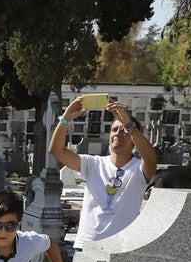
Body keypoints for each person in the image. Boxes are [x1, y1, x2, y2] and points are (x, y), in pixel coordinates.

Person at [50, 97, 157, 245]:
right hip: (85, 245)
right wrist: (66, 117)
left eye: (124, 130)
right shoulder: (93, 163)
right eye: (114, 129)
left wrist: (129, 124)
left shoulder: (139, 169)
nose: (118, 133)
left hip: (119, 248)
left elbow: (151, 159)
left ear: (133, 138)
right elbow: (56, 151)